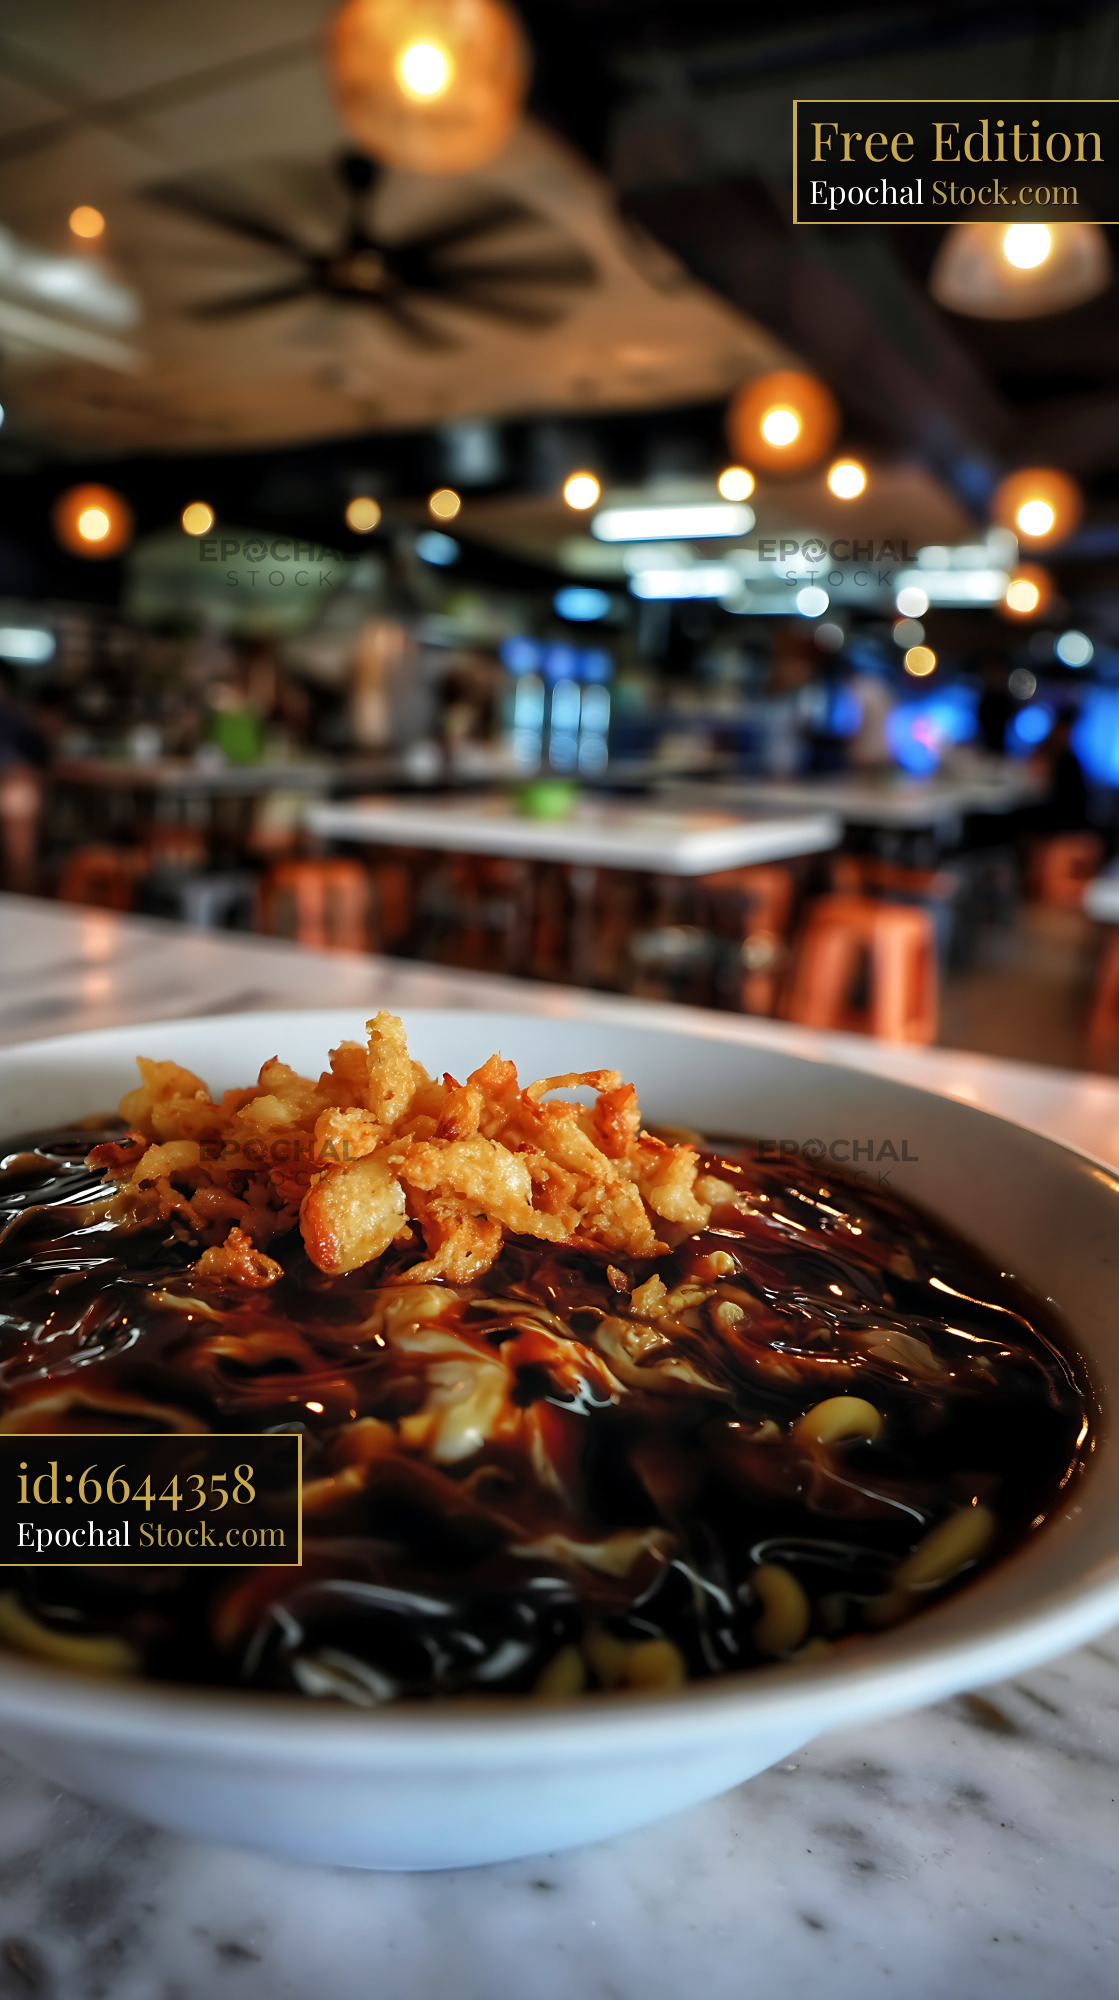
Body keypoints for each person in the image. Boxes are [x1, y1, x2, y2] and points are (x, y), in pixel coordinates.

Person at [0, 673, 48, 894]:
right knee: (20, 858)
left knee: (20, 858)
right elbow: (42, 758)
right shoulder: (20, 717)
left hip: (15, 782)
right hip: (16, 782)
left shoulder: (17, 717)